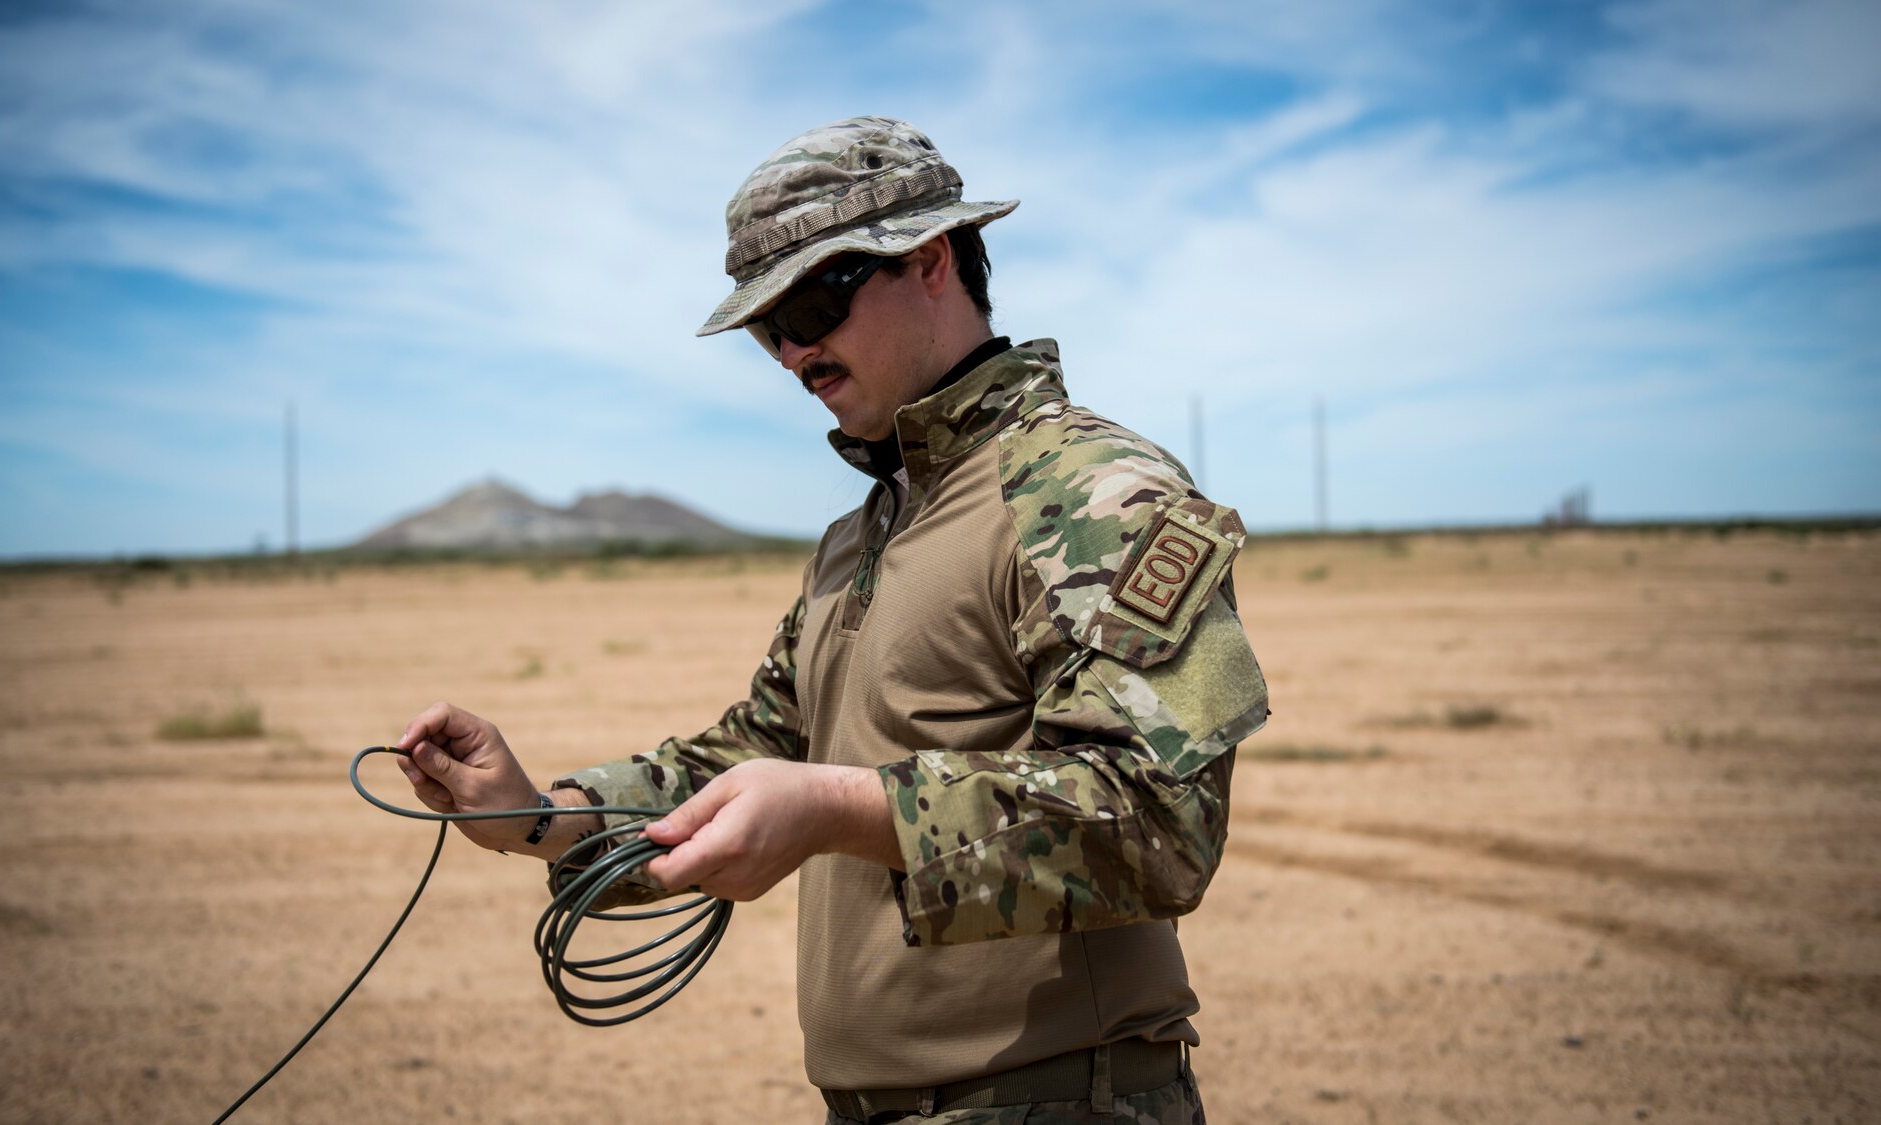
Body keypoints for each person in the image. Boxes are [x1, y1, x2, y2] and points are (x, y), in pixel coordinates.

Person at [392, 115, 1268, 1124]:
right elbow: (757, 753)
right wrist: (540, 816)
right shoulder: (858, 537)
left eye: (813, 301)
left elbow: (1158, 824)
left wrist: (835, 810)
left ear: (930, 258)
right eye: (767, 327)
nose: (793, 351)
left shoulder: (1089, 491)